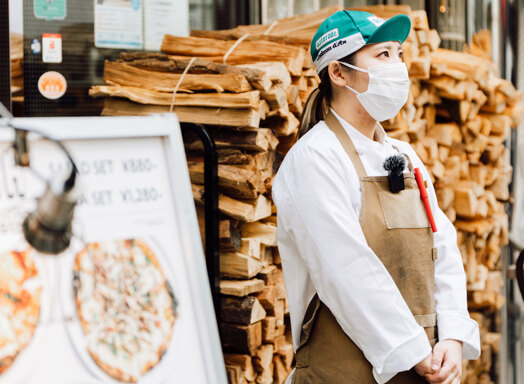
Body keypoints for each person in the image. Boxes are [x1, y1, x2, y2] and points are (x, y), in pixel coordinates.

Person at [271, 10, 481, 384]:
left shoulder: (404, 155)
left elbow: (442, 246)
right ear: (338, 73)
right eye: (382, 55)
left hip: (421, 367)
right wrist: (414, 350)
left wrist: (451, 333)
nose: (398, 67)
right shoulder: (314, 160)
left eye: (398, 54)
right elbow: (345, 270)